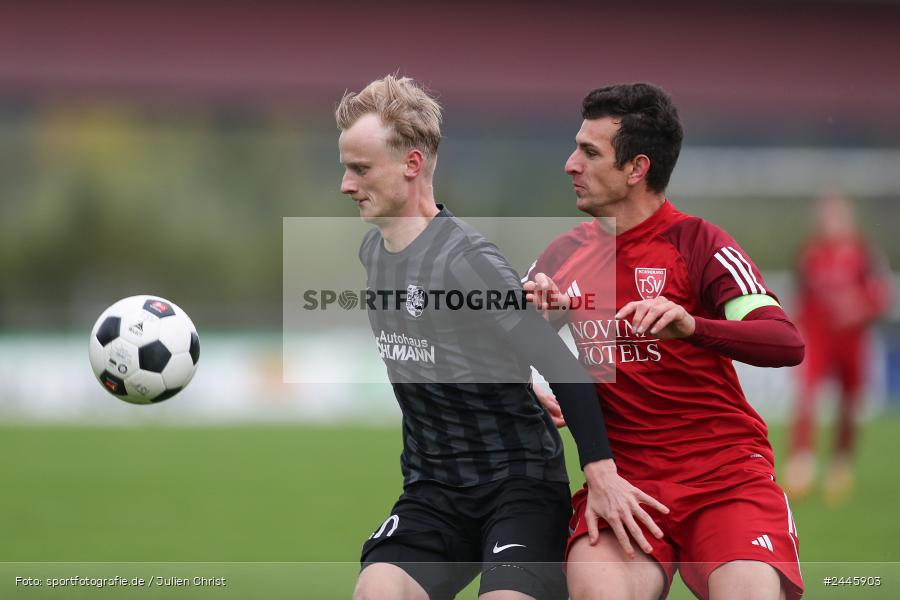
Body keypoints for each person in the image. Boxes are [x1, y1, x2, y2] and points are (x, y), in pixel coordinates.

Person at [336, 75, 667, 600]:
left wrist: (600, 472)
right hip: (432, 492)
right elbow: (452, 349)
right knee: (376, 590)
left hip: (517, 488)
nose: (346, 185)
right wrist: (503, 383)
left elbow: (560, 365)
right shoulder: (374, 254)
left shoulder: (468, 261)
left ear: (412, 165)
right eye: (346, 169)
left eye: (360, 169)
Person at [524, 83, 806, 600]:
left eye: (589, 152)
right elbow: (492, 355)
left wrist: (693, 327)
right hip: (624, 485)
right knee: (597, 592)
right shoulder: (560, 257)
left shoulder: (700, 244)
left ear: (637, 169)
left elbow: (785, 342)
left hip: (724, 481)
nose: (570, 164)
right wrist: (532, 340)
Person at [784, 190, 891, 505]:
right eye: (825, 214)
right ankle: (801, 464)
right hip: (818, 337)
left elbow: (880, 297)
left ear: (848, 217)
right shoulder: (811, 253)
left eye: (836, 214)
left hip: (852, 340)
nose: (830, 221)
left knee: (850, 403)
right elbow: (801, 295)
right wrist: (796, 325)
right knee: (807, 396)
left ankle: (840, 465)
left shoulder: (864, 253)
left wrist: (858, 309)